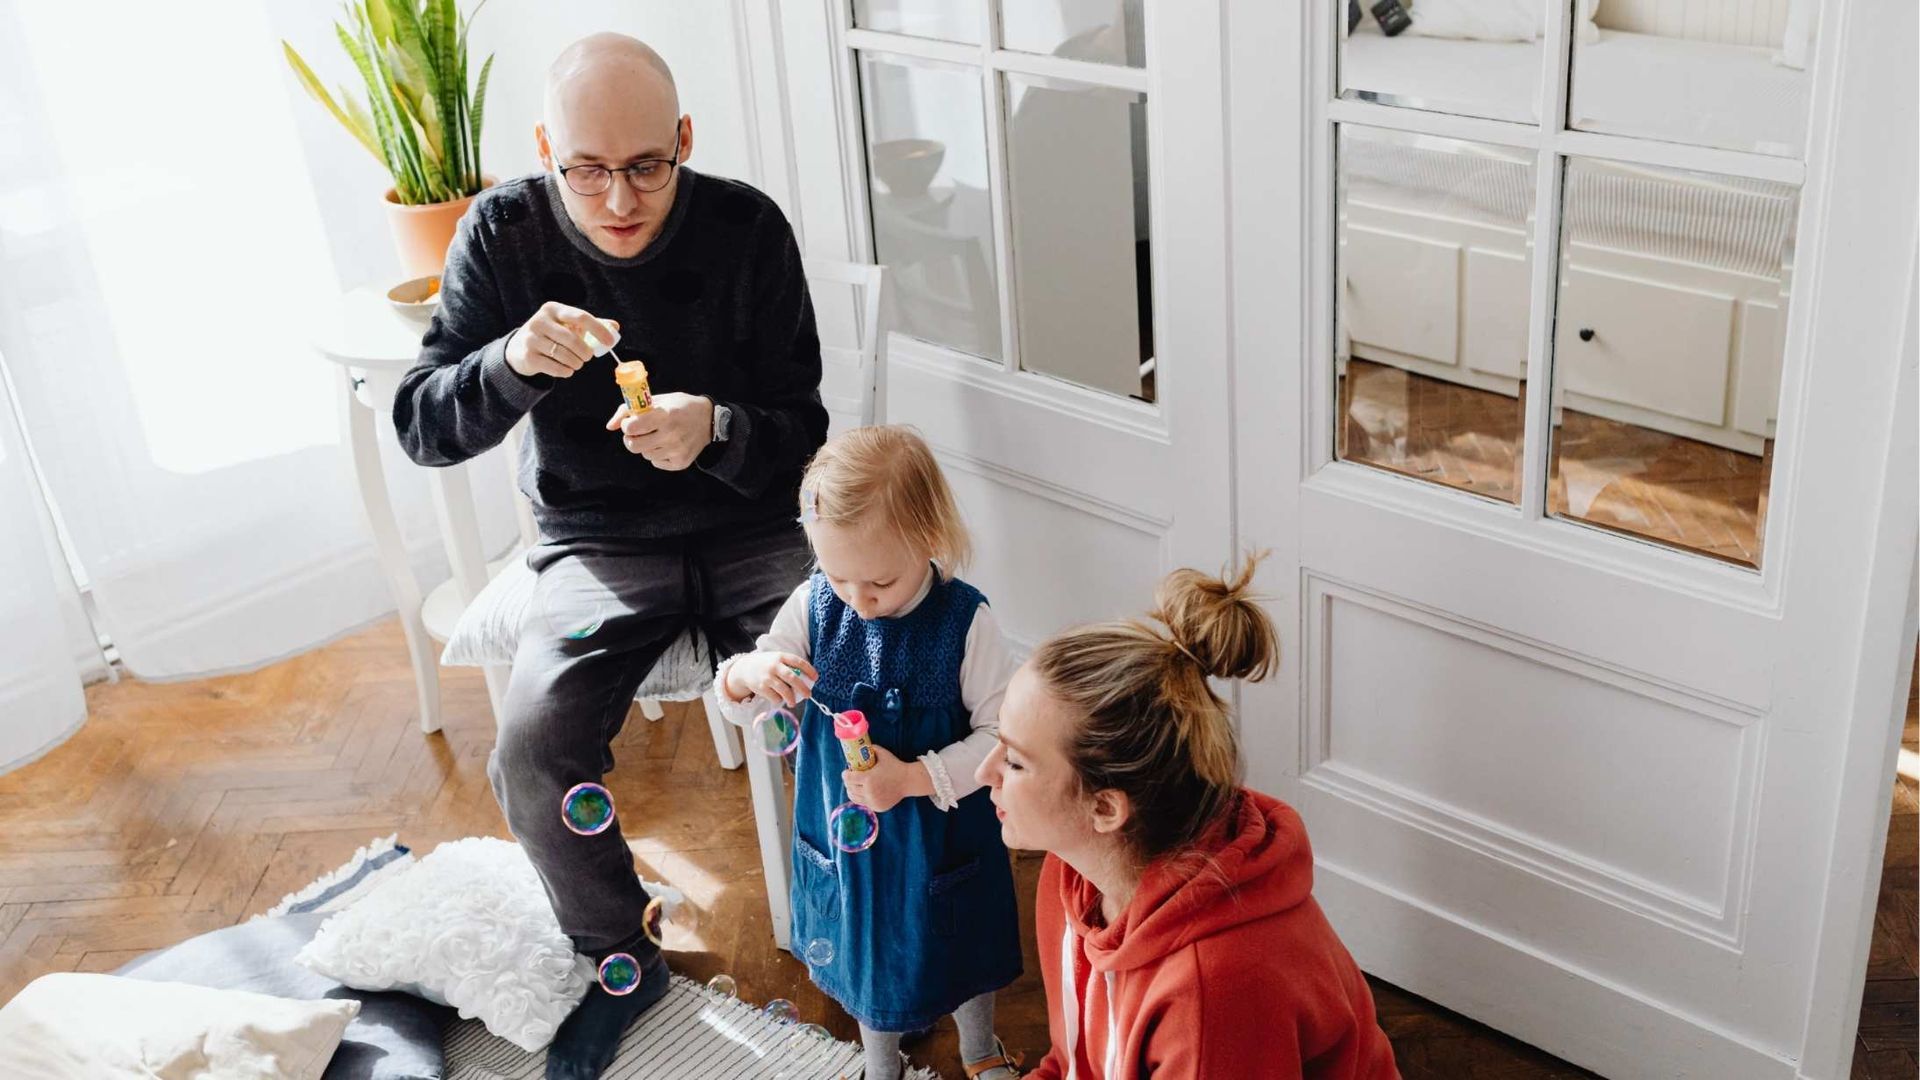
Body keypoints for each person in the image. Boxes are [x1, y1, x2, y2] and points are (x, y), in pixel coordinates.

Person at [391, 32, 827, 1080]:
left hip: (754, 527)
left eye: (645, 166)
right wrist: (505, 365)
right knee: (533, 749)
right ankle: (618, 956)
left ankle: (856, 924)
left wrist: (715, 427)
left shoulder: (746, 228)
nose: (618, 198)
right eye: (585, 169)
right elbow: (420, 425)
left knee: (851, 697)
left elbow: (805, 427)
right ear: (545, 151)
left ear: (684, 140)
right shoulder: (501, 233)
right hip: (595, 542)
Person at [977, 560, 1401, 1078]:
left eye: (1015, 762)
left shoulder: (1211, 994)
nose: (984, 772)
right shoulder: (1072, 876)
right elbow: (1073, 1062)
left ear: (1105, 808)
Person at [716, 426, 1025, 1080]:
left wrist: (914, 778)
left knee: (962, 935)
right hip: (846, 833)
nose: (859, 599)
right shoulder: (816, 605)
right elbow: (747, 702)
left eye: (879, 581)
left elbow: (1002, 737)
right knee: (867, 947)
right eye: (838, 575)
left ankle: (978, 1048)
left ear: (929, 539)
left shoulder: (966, 623)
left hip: (944, 830)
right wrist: (749, 673)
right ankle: (880, 1063)